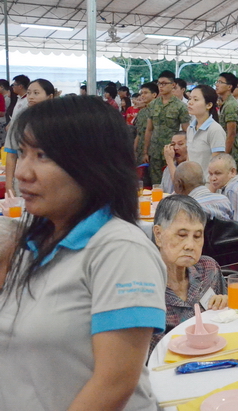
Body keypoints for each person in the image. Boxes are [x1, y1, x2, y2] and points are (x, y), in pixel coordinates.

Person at [0, 95, 166, 411]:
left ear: (93, 165)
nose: (22, 172)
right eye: (21, 153)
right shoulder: (28, 242)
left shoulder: (120, 250)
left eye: (42, 155)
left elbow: (114, 383)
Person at [150, 195, 227, 352]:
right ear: (158, 235)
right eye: (182, 235)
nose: (190, 245)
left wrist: (226, 306)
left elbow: (229, 322)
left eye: (197, 236)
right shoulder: (145, 285)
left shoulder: (208, 270)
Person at [4, 78, 56, 194]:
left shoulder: (59, 121)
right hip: (25, 178)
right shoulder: (20, 120)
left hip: (51, 181)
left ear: (50, 96)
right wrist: (9, 185)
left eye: (36, 93)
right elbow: (11, 154)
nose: (31, 97)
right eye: (29, 93)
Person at [144, 71, 190, 184]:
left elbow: (187, 131)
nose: (161, 86)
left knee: (171, 182)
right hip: (155, 151)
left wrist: (187, 152)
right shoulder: (153, 105)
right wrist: (145, 151)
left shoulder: (181, 106)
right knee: (155, 183)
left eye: (164, 83)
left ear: (173, 85)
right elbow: (149, 129)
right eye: (159, 83)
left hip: (172, 151)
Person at [185, 85, 226, 175]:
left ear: (209, 105)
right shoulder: (190, 128)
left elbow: (217, 164)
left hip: (208, 181)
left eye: (195, 100)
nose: (190, 102)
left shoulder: (215, 130)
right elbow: (189, 159)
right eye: (190, 99)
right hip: (193, 181)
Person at [207, 153, 238, 225]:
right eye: (210, 174)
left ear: (232, 172)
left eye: (218, 173)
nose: (213, 178)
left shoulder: (233, 191)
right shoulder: (228, 187)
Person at [216, 72, 238, 175]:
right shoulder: (225, 103)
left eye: (220, 82)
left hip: (232, 154)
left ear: (229, 87)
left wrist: (224, 157)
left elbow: (231, 133)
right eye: (217, 82)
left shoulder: (230, 106)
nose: (217, 85)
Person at [133, 82, 158, 169]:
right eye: (141, 93)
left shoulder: (158, 111)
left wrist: (146, 152)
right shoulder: (142, 112)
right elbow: (139, 133)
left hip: (154, 151)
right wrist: (134, 150)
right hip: (141, 150)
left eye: (146, 93)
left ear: (154, 95)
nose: (142, 96)